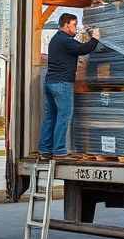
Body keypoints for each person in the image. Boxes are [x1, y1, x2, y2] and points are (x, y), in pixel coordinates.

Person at [38, 13, 99, 161]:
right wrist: (95, 37)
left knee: (50, 117)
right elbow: (83, 49)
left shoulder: (56, 39)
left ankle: (45, 150)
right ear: (66, 25)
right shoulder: (65, 40)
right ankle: (59, 150)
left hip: (50, 83)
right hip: (62, 84)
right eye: (74, 25)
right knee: (63, 117)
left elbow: (73, 50)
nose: (76, 28)